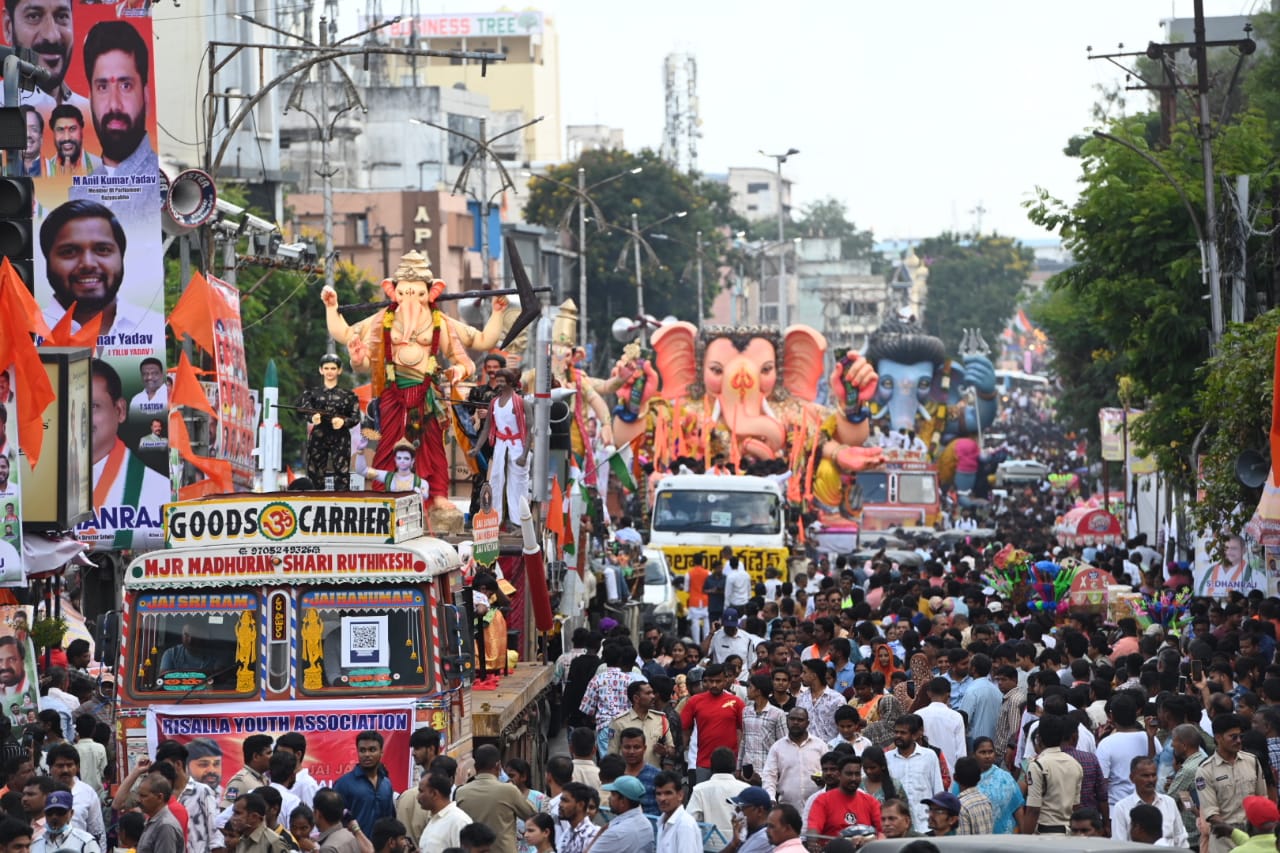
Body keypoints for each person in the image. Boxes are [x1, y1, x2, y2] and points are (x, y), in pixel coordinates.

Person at [87, 360, 169, 528]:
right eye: (69, 405)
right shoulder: (42, 485)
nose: (79, 417)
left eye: (93, 406)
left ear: (120, 411)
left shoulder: (157, 490)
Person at [80, 20, 157, 176]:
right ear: (90, 100)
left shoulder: (164, 183)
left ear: (146, 97)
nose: (114, 105)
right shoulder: (79, 188)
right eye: (103, 87)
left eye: (125, 86)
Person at [1197, 713, 1267, 853]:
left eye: (1240, 736)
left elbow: (1263, 800)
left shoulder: (1252, 761)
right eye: (1233, 737)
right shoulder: (1205, 770)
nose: (1239, 741)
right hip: (1224, 841)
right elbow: (1211, 814)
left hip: (1253, 838)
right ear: (1218, 738)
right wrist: (1235, 833)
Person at [469, 367, 529, 528]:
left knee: (518, 483)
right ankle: (495, 518)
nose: (500, 384)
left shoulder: (520, 402)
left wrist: (525, 453)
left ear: (510, 382)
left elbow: (530, 429)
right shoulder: (494, 403)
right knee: (495, 480)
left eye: (503, 381)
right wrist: (477, 448)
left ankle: (519, 521)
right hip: (501, 444)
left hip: (517, 445)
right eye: (498, 381)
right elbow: (487, 427)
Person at [295, 355, 360, 491]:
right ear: (321, 370)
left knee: (342, 474)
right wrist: (312, 417)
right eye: (326, 368)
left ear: (339, 370)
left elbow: (355, 417)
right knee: (315, 472)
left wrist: (343, 421)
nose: (329, 371)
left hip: (341, 436)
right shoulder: (312, 394)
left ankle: (341, 500)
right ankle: (315, 499)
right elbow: (303, 409)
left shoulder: (348, 395)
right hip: (319, 435)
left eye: (333, 368)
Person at [454, 745, 535, 853]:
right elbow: (532, 814)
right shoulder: (509, 790)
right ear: (498, 766)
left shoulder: (461, 792)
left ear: (475, 766)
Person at [680, 663, 744, 784]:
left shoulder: (736, 702)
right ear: (705, 681)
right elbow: (684, 730)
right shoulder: (694, 701)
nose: (714, 685)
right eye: (710, 681)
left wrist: (739, 761)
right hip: (703, 762)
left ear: (725, 680)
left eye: (718, 681)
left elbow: (742, 731)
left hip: (729, 764)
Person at [1021, 714, 1082, 835]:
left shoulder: (1037, 765)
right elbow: (1075, 806)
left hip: (1045, 834)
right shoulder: (1075, 764)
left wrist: (1025, 839)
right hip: (1069, 833)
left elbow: (1033, 810)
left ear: (1039, 738)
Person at [1110, 756, 1187, 847]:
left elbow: (1181, 839)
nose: (1151, 780)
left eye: (1153, 775)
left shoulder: (1169, 803)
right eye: (1145, 776)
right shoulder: (1121, 808)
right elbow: (1119, 845)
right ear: (1132, 778)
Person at [885, 715, 943, 832]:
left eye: (903, 733)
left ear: (915, 735)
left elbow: (937, 789)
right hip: (898, 826)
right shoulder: (887, 758)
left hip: (925, 825)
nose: (898, 736)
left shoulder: (929, 756)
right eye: (896, 732)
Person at [761, 706, 824, 809]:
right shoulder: (777, 747)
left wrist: (823, 780)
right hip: (787, 807)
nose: (795, 722)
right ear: (787, 721)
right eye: (792, 719)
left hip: (816, 806)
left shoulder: (820, 745)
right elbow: (769, 776)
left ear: (807, 723)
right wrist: (771, 798)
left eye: (800, 720)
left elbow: (829, 771)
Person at [807, 753, 882, 839]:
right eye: (849, 774)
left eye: (857, 774)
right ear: (839, 775)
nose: (853, 778)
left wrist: (871, 839)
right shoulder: (822, 800)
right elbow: (813, 829)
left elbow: (882, 830)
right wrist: (812, 841)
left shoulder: (870, 801)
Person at [332, 731, 394, 833]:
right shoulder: (343, 784)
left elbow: (390, 819)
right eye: (362, 750)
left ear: (381, 752)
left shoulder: (386, 784)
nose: (367, 754)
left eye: (372, 750)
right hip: (352, 842)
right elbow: (334, 822)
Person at [46, 745, 104, 850]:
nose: (65, 770)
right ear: (50, 768)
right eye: (60, 766)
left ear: (77, 767)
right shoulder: (43, 792)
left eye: (69, 765)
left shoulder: (88, 793)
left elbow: (97, 831)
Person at [687, 747, 746, 848]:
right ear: (734, 766)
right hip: (741, 847)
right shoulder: (746, 789)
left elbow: (690, 821)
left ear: (711, 766)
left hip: (711, 848)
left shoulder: (700, 789)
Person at [587, 776, 655, 853]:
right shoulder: (646, 824)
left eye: (613, 795)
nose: (609, 798)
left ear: (623, 801)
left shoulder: (616, 833)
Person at [916, 678, 965, 769]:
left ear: (929, 693)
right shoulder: (956, 717)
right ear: (948, 694)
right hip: (950, 771)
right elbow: (961, 751)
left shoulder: (918, 715)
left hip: (925, 769)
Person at [32, 789, 97, 853]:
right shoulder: (36, 844)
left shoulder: (85, 842)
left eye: (60, 812)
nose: (54, 817)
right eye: (50, 812)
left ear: (71, 813)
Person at [417, 773, 467, 851]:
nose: (417, 797)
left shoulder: (458, 821)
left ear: (434, 794)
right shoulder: (434, 819)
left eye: (421, 791)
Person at [136, 774, 186, 853]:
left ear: (160, 797)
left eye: (143, 796)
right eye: (139, 795)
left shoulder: (165, 826)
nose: (138, 800)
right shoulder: (154, 821)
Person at [220, 735, 271, 809]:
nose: (272, 757)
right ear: (256, 756)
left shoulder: (264, 778)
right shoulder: (240, 781)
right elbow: (225, 810)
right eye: (268, 753)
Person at [46, 104, 98, 176]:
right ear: (53, 132)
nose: (67, 138)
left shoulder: (99, 166)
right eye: (60, 130)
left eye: (72, 129)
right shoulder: (45, 170)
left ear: (81, 130)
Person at [654, 770, 698, 853]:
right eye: (658, 794)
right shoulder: (662, 821)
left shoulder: (685, 825)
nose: (662, 798)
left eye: (668, 793)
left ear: (680, 795)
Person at [950, 758, 993, 835]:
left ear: (955, 777)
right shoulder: (986, 800)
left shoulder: (960, 806)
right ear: (979, 778)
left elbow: (963, 840)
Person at [554, 782, 599, 853]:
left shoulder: (593, 835)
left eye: (565, 801)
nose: (560, 804)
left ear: (580, 805)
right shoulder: (567, 833)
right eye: (561, 800)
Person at [20, 106, 42, 177]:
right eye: (22, 128)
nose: (28, 134)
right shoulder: (4, 169)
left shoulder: (55, 170)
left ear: (41, 137)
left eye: (34, 129)